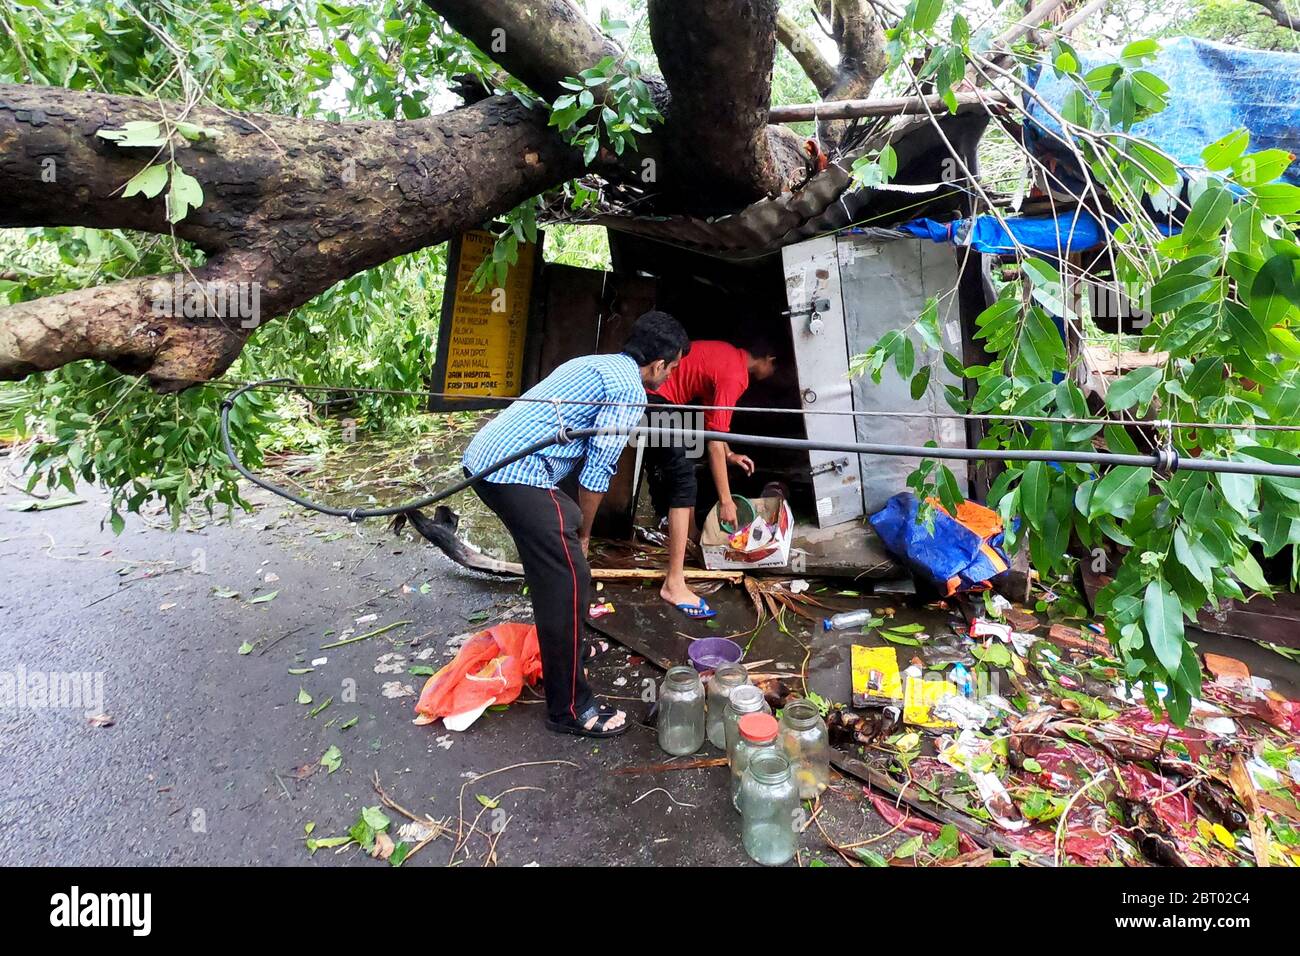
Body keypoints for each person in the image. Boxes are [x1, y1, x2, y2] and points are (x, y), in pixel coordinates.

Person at [462, 310, 690, 738]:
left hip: (484, 460)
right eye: (673, 367)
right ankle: (569, 708)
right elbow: (596, 472)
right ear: (659, 365)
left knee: (558, 544)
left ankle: (570, 648)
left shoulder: (591, 363)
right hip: (512, 472)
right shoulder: (628, 391)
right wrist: (585, 535)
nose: (670, 375)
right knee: (569, 576)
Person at [645, 335, 778, 619]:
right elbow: (713, 442)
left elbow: (712, 421)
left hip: (666, 402)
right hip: (656, 399)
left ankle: (690, 539)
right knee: (683, 481)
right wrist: (727, 501)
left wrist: (729, 455)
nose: (772, 376)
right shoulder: (736, 375)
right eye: (775, 369)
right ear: (769, 360)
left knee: (685, 476)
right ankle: (674, 582)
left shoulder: (729, 355)